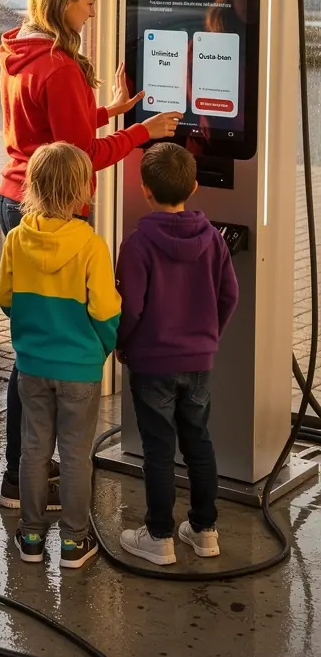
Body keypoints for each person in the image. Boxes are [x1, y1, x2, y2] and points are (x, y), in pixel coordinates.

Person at [0, 0, 181, 511]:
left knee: (28, 349)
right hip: (54, 208)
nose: (94, 13)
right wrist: (141, 132)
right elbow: (81, 156)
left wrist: (107, 110)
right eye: (89, 2)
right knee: (40, 357)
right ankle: (25, 473)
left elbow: (50, 125)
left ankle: (19, 473)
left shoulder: (19, 50)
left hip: (15, 201)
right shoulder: (58, 65)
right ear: (63, 2)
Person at [0, 141, 121, 569]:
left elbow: (3, 296)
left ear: (31, 186)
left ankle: (30, 538)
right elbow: (106, 311)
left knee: (33, 451)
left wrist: (31, 327)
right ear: (82, 191)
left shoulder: (16, 239)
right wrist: (101, 347)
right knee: (75, 455)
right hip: (80, 370)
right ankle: (73, 541)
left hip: (32, 365)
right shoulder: (90, 245)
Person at [116, 143, 239, 565]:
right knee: (199, 442)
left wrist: (122, 344)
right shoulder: (213, 240)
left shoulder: (136, 245)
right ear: (195, 186)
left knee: (158, 448)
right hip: (199, 360)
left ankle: (159, 537)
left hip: (151, 363)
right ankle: (205, 531)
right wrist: (208, 337)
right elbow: (230, 295)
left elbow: (130, 308)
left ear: (144, 189)